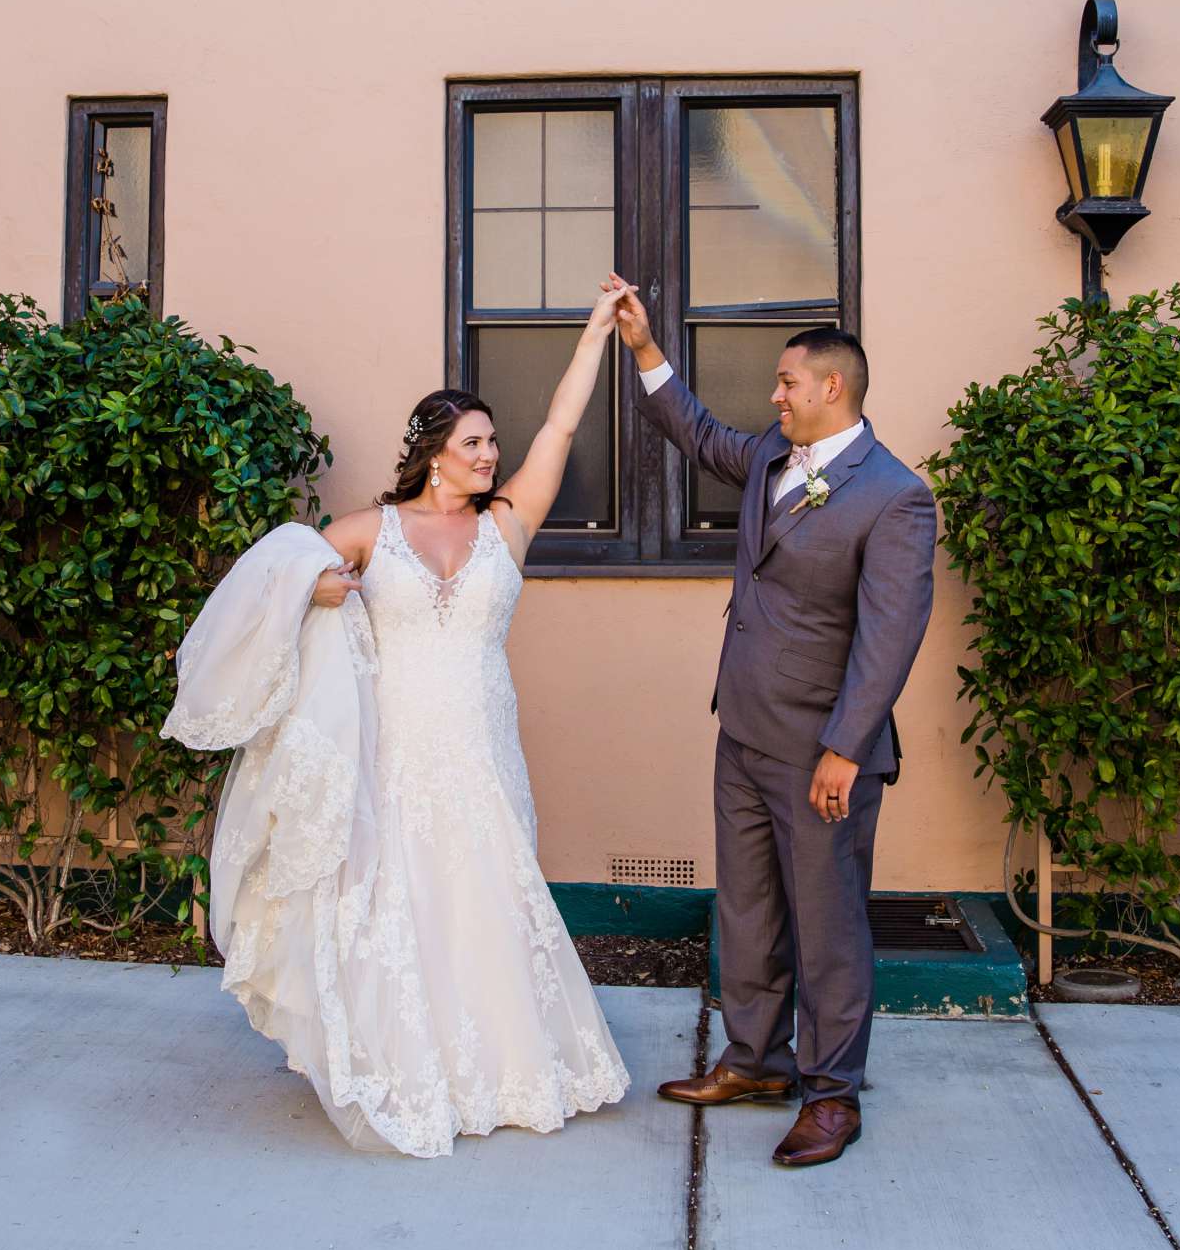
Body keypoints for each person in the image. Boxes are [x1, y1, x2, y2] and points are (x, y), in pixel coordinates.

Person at [162, 281, 631, 1157]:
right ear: (434, 454)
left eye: (494, 442)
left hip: (482, 742)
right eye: (475, 442)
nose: (492, 455)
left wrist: (596, 334)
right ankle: (404, 1062)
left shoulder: (509, 525)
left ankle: (500, 1066)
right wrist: (317, 587)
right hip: (398, 746)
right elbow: (270, 576)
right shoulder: (369, 530)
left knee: (488, 891)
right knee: (401, 901)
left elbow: (564, 427)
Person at [611, 280, 936, 1168]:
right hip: (744, 732)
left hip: (822, 751)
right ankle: (757, 1061)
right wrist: (645, 349)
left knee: (828, 929)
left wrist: (844, 749)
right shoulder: (767, 459)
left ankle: (832, 1095)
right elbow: (699, 433)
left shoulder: (895, 496)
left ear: (832, 387)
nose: (774, 395)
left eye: (787, 382)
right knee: (748, 909)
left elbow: (889, 639)